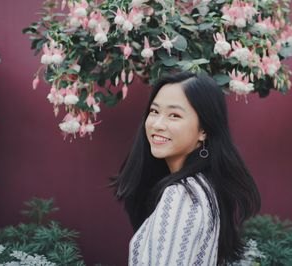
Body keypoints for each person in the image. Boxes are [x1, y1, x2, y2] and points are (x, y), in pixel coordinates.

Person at [111, 72, 261, 265]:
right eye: (154, 111)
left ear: (204, 130)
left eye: (174, 115)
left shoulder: (182, 195)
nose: (157, 124)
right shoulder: (204, 186)